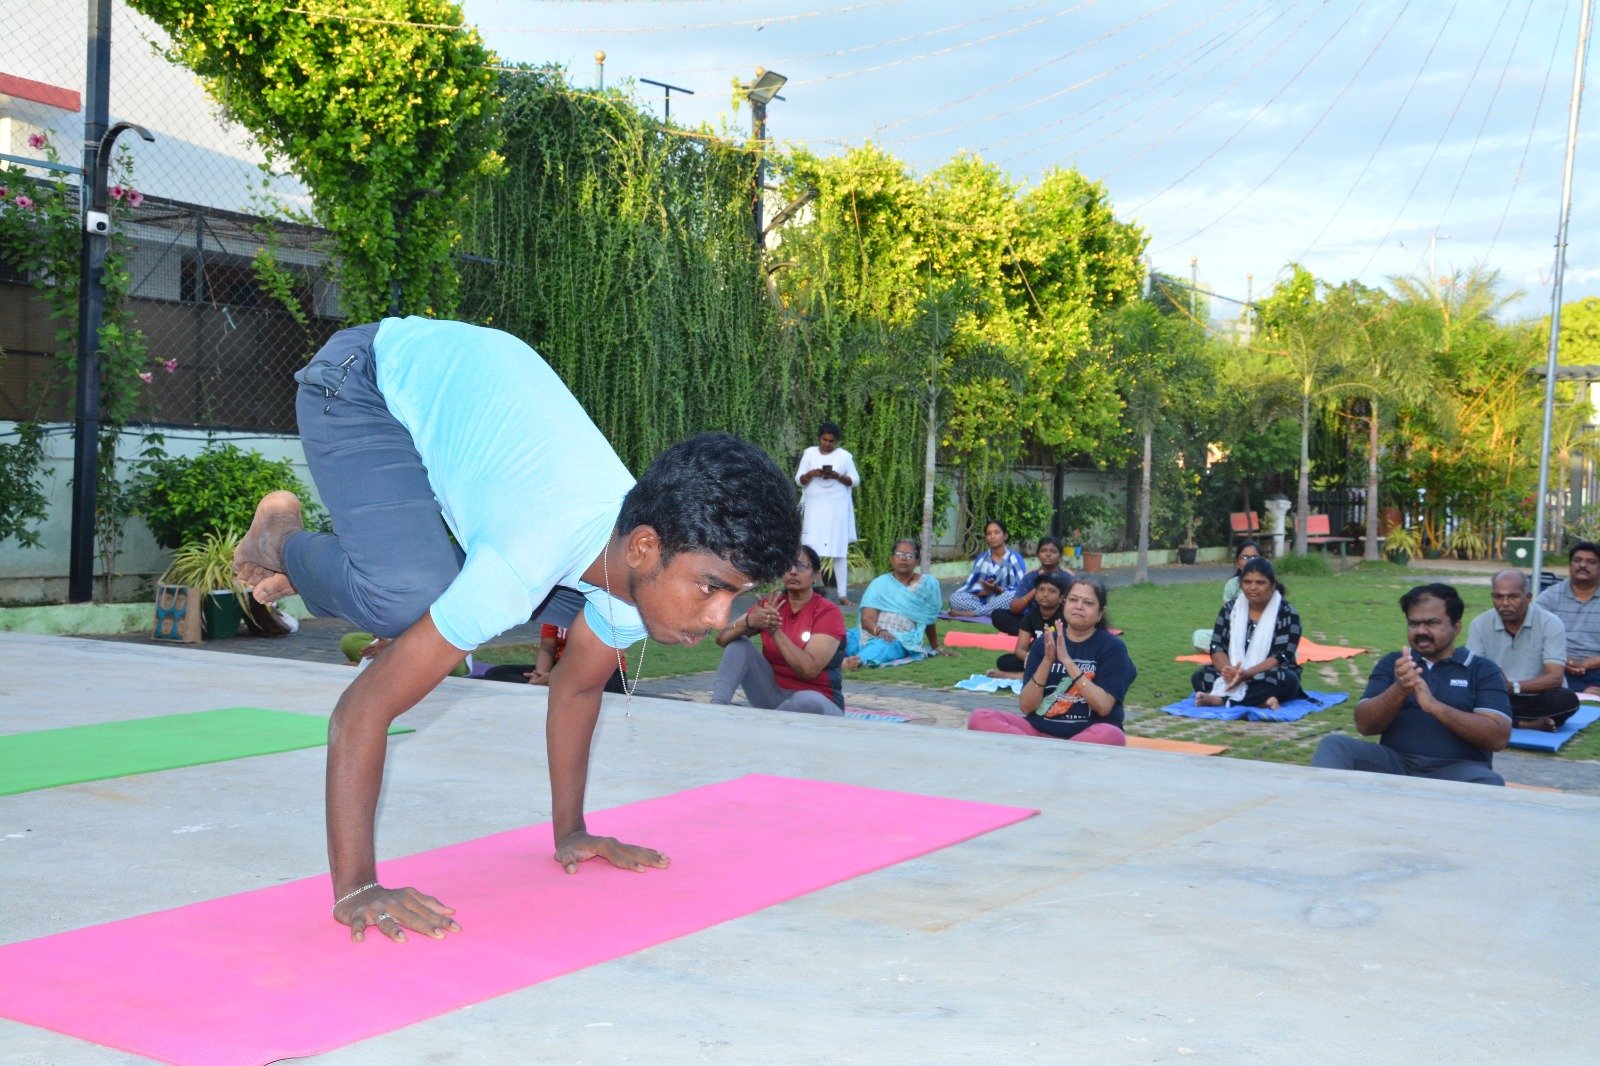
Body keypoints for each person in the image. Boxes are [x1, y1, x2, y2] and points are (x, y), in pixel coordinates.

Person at [230, 317, 799, 944]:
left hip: (468, 391)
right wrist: (357, 887)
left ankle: (350, 568)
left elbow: (578, 687)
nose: (721, 619)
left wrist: (571, 833)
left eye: (735, 595)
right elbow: (361, 709)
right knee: (406, 597)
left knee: (448, 592)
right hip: (362, 379)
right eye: (711, 588)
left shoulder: (639, 568)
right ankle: (281, 542)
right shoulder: (521, 564)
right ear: (643, 546)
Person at [1311, 583, 1511, 786]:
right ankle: (1317, 804)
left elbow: (1498, 737)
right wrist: (1400, 688)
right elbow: (1365, 726)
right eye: (1414, 624)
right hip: (1395, 764)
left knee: (1489, 781)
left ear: (1456, 627)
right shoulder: (1394, 663)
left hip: (1458, 769)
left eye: (1432, 623)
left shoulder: (1482, 669)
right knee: (1335, 745)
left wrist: (1435, 707)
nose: (1421, 631)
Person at [967, 576, 1135, 745]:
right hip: (1038, 731)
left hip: (1088, 732)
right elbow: (1027, 707)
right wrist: (1047, 661)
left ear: (1100, 613)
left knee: (1111, 734)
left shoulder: (1112, 648)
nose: (1078, 606)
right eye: (1073, 600)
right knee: (980, 717)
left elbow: (1103, 707)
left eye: (1088, 603)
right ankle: (1050, 751)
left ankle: (1040, 751)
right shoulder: (1044, 643)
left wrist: (1068, 662)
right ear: (1064, 603)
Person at [710, 545, 847, 715]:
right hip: (772, 695)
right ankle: (716, 710)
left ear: (816, 576)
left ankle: (767, 724)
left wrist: (775, 632)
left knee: (807, 700)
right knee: (739, 645)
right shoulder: (771, 605)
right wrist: (749, 621)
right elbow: (722, 638)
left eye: (801, 566)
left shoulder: (828, 612)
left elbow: (808, 669)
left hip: (820, 702)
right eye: (788, 565)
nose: (793, 571)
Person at [1468, 569, 1580, 731]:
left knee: (1567, 700)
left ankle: (1500, 719)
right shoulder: (1480, 624)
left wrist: (1513, 687)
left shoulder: (1550, 623)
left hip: (1539, 696)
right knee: (1461, 694)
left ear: (1528, 597)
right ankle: (1525, 723)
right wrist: (1496, 685)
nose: (1504, 603)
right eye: (1498, 597)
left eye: (1512, 597)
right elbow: (1473, 673)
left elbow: (1555, 678)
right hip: (1499, 695)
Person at [1191, 556, 1305, 710]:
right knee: (1200, 676)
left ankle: (1222, 701)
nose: (1253, 587)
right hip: (1234, 670)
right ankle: (1261, 701)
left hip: (1266, 673)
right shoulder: (1230, 609)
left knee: (1286, 680)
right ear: (1240, 584)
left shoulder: (1287, 613)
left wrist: (1246, 674)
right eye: (1247, 582)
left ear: (1273, 585)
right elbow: (1217, 646)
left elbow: (1281, 656)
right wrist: (1229, 670)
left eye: (1260, 583)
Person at [843, 537, 945, 669]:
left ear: (916, 561)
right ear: (892, 559)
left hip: (900, 638)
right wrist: (880, 631)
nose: (904, 559)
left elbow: (928, 618)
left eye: (909, 556)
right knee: (840, 638)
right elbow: (867, 619)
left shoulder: (927, 585)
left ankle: (854, 662)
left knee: (881, 646)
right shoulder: (879, 584)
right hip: (871, 631)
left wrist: (936, 647)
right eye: (899, 554)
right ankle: (826, 656)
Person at [794, 421, 860, 606]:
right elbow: (799, 479)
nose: (827, 443)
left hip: (837, 509)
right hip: (814, 509)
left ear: (836, 441)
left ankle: (843, 595)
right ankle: (805, 590)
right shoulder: (809, 453)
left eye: (831, 441)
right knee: (809, 550)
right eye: (824, 439)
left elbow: (855, 480)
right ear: (819, 438)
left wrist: (837, 475)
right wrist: (812, 473)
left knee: (839, 552)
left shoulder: (844, 456)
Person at [479, 623, 627, 694]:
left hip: (603, 671)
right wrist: (541, 676)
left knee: (606, 687)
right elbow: (546, 648)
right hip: (560, 670)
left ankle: (554, 687)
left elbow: (593, 658)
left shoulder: (598, 609)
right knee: (496, 674)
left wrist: (554, 679)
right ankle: (541, 688)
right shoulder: (557, 607)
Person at [1536, 540, 1600, 694]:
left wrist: (1590, 662)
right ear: (1570, 565)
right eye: (1577, 560)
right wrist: (1562, 659)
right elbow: (1533, 636)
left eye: (1591, 562)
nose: (1583, 565)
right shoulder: (1550, 596)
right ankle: (1587, 691)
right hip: (1558, 666)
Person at [986, 571, 1067, 679]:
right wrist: (1029, 657)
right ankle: (1033, 673)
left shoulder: (1066, 617)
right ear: (1035, 595)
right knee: (1004, 661)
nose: (1045, 594)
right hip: (1036, 655)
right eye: (1041, 590)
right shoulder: (1031, 615)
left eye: (1052, 591)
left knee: (1059, 667)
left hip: (1058, 658)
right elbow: (1020, 648)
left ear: (1061, 598)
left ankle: (1012, 676)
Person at [990, 535, 1072, 636]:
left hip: (1057, 621)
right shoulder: (1030, 576)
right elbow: (1014, 608)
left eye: (1053, 551)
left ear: (1060, 555)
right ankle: (1036, 632)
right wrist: (1037, 587)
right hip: (1031, 620)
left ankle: (1035, 633)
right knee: (998, 615)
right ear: (1038, 555)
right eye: (1043, 551)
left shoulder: (1067, 577)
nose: (1048, 554)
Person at [948, 520, 1028, 617]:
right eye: (989, 533)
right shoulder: (982, 558)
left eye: (996, 532)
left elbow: (1021, 589)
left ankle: (973, 613)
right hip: (983, 601)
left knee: (1013, 596)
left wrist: (998, 589)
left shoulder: (1015, 558)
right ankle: (989, 612)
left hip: (1005, 599)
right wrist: (983, 592)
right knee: (954, 598)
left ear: (1005, 536)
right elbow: (970, 586)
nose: (992, 536)